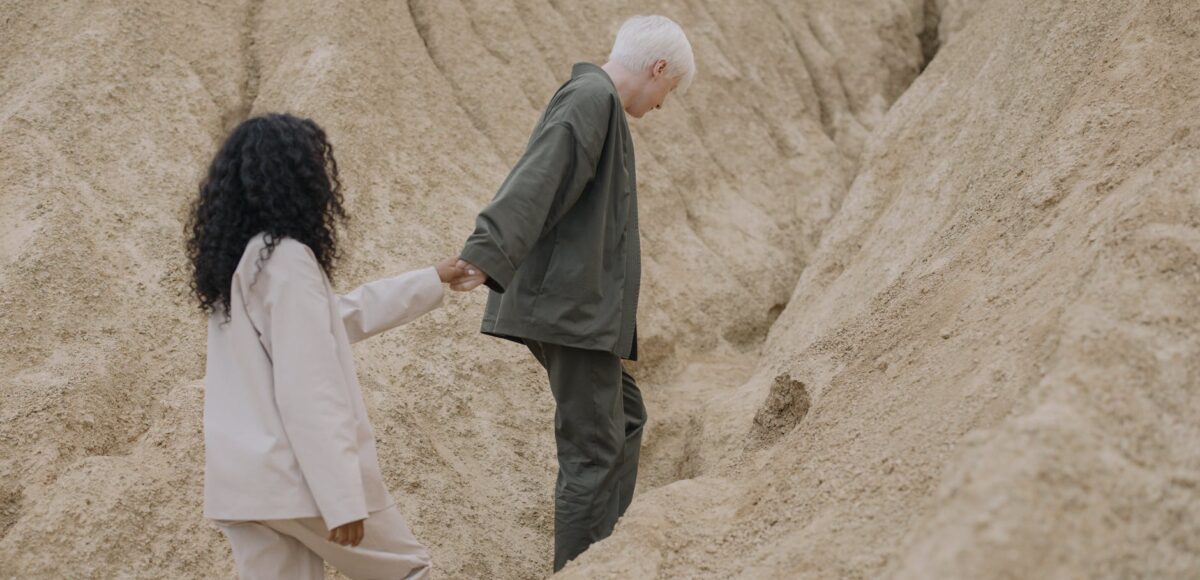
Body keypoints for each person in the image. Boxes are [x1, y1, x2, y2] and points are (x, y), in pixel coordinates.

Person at [451, 15, 696, 571]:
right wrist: (487, 250)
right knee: (593, 451)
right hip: (568, 308)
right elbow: (540, 175)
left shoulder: (598, 102)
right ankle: (583, 568)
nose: (663, 104)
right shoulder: (591, 98)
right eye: (669, 90)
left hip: (577, 307)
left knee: (625, 418)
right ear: (658, 68)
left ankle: (605, 550)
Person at [186, 113, 470, 579]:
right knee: (408, 573)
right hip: (298, 482)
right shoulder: (286, 259)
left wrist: (430, 280)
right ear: (296, 179)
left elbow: (334, 318)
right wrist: (341, 497)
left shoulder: (239, 265)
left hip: (246, 485)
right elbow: (310, 388)